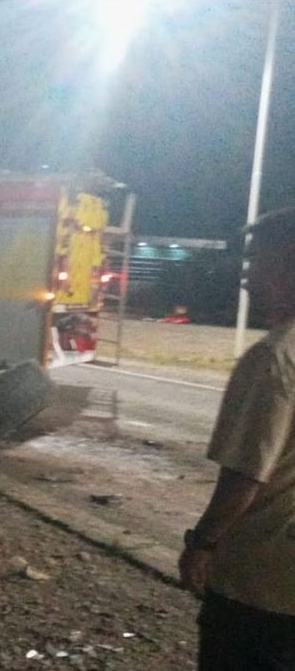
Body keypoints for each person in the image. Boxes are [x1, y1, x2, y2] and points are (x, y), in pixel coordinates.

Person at [179, 206, 295, 669]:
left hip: (259, 585)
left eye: (255, 261)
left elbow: (245, 476)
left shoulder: (272, 359)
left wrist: (202, 543)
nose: (245, 276)